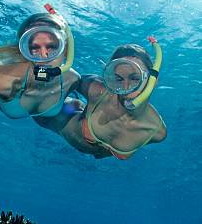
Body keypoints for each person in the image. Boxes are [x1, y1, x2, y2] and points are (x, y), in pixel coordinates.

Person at [34, 39, 167, 159]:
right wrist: (39, 73)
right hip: (59, 116)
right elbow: (69, 77)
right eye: (118, 79)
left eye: (135, 78)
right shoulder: (98, 90)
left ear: (153, 81)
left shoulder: (157, 133)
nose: (126, 88)